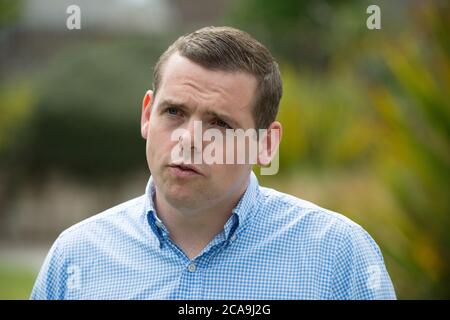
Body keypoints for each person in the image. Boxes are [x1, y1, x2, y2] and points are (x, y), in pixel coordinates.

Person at [31, 26, 396, 300]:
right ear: (146, 115)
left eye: (220, 124)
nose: (189, 139)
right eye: (174, 111)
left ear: (266, 144)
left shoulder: (338, 255)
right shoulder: (76, 255)